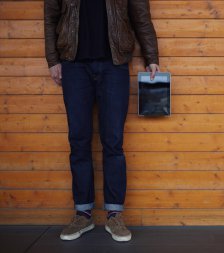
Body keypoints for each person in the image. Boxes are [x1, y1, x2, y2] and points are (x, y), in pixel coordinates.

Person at [44, 0, 160, 242]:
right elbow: (51, 16)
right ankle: (83, 213)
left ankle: (114, 214)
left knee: (113, 142)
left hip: (114, 65)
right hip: (73, 65)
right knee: (78, 140)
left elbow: (141, 16)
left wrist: (151, 56)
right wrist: (53, 59)